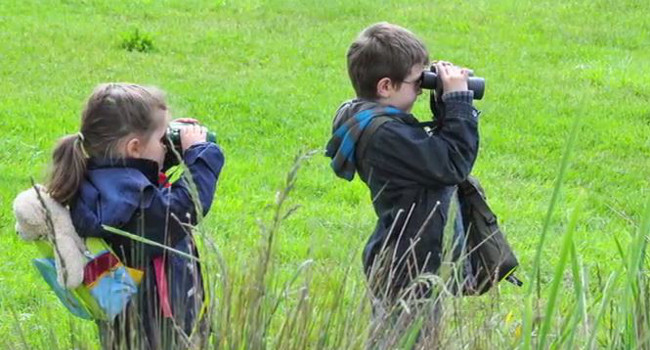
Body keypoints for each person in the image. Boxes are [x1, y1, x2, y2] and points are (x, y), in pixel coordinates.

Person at [325, 22, 480, 345]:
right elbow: (452, 163)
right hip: (408, 266)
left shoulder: (370, 119)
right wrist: (459, 105)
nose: (421, 90)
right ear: (385, 86)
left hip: (403, 256)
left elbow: (430, 158)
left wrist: (444, 105)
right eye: (417, 82)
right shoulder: (385, 135)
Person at [47, 83, 225, 349]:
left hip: (127, 326)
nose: (166, 144)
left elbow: (142, 183)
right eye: (162, 139)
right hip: (160, 328)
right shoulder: (131, 203)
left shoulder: (103, 184)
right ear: (134, 147)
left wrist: (168, 148)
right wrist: (199, 154)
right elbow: (183, 207)